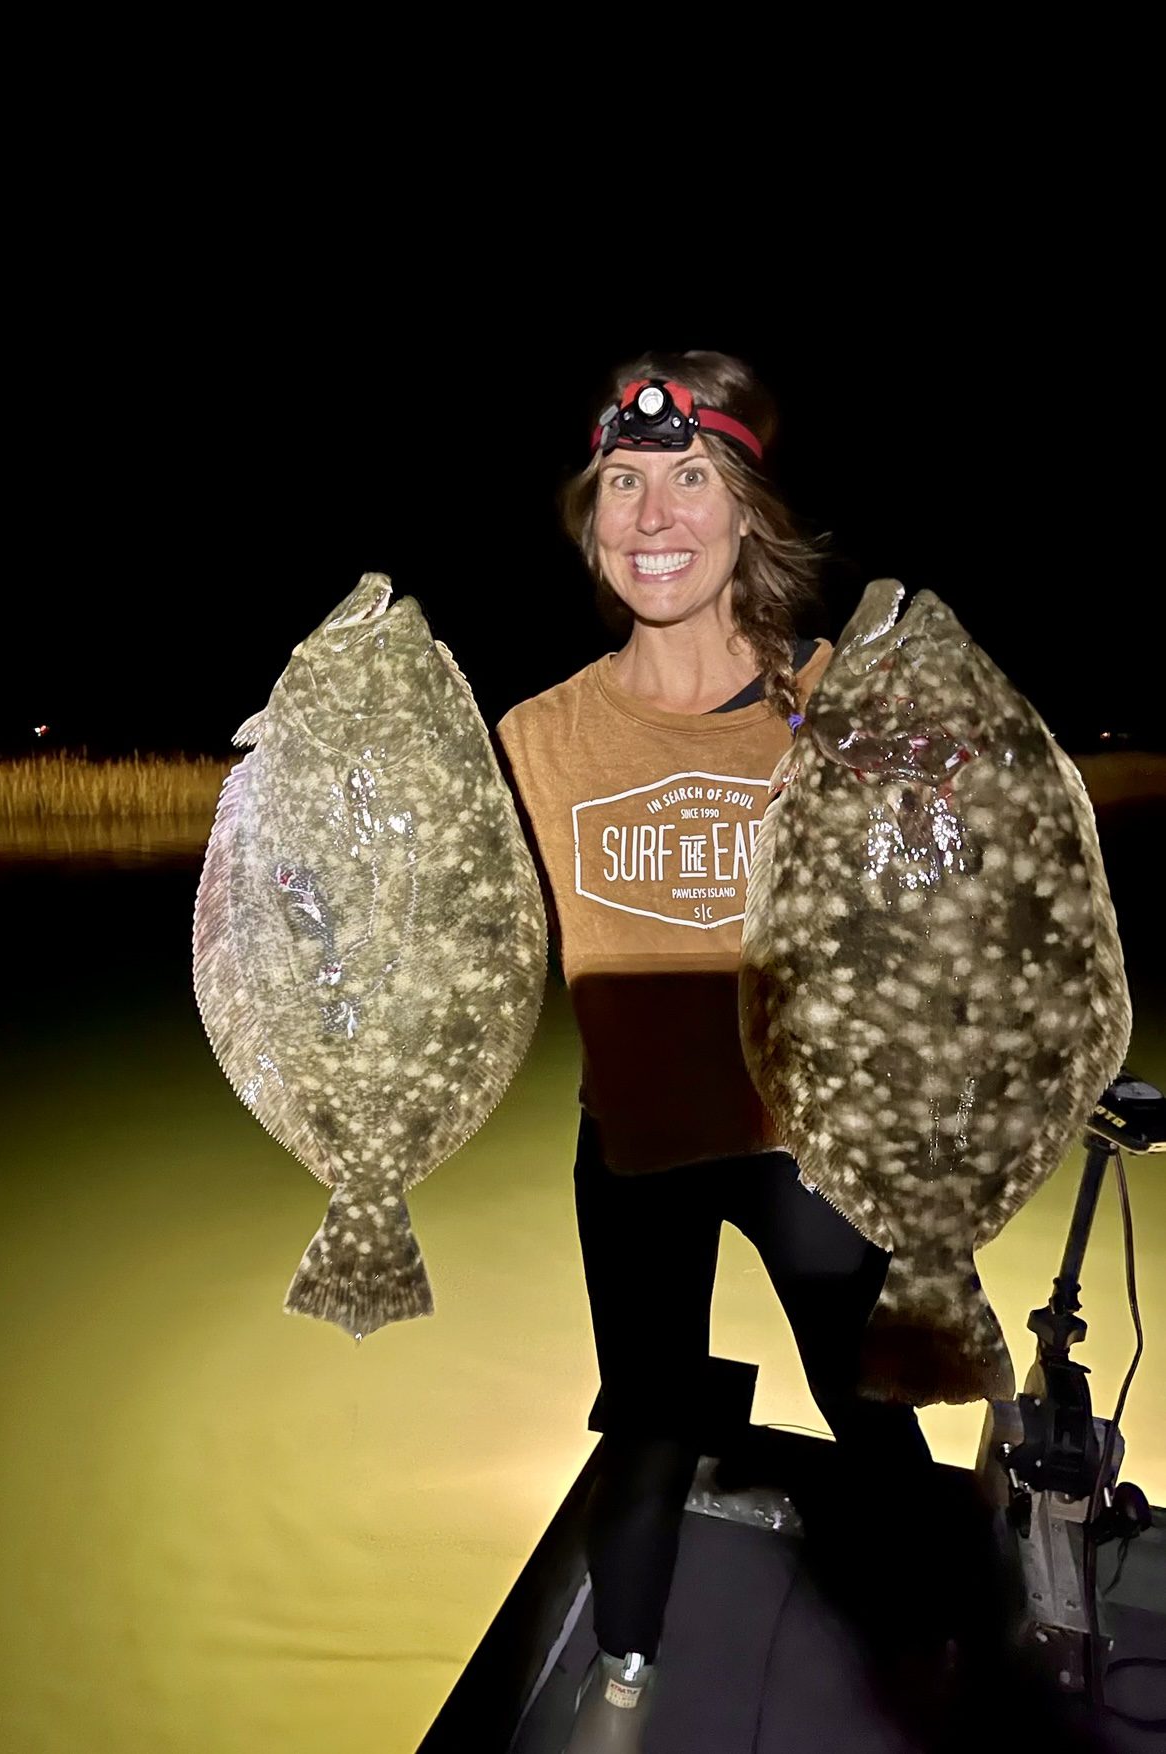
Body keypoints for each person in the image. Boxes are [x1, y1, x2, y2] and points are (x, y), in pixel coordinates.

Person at [495, 352, 942, 1752]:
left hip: (809, 1140)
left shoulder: (845, 708)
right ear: (589, 523)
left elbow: (951, 920)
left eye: (690, 474)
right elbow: (444, 938)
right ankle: (622, 1671)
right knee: (644, 1425)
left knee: (866, 1399)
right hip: (630, 1142)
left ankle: (934, 1634)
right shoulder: (534, 736)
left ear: (745, 509)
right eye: (621, 482)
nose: (651, 510)